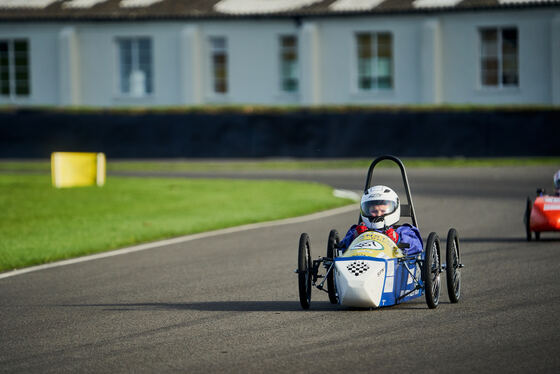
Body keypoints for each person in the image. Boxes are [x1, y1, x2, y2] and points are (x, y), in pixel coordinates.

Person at [339, 185, 423, 255]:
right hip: (361, 263)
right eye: (374, 211)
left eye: (383, 211)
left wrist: (397, 239)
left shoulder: (403, 231)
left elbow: (417, 246)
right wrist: (356, 236)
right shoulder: (356, 230)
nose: (379, 214)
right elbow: (341, 248)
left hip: (392, 268)